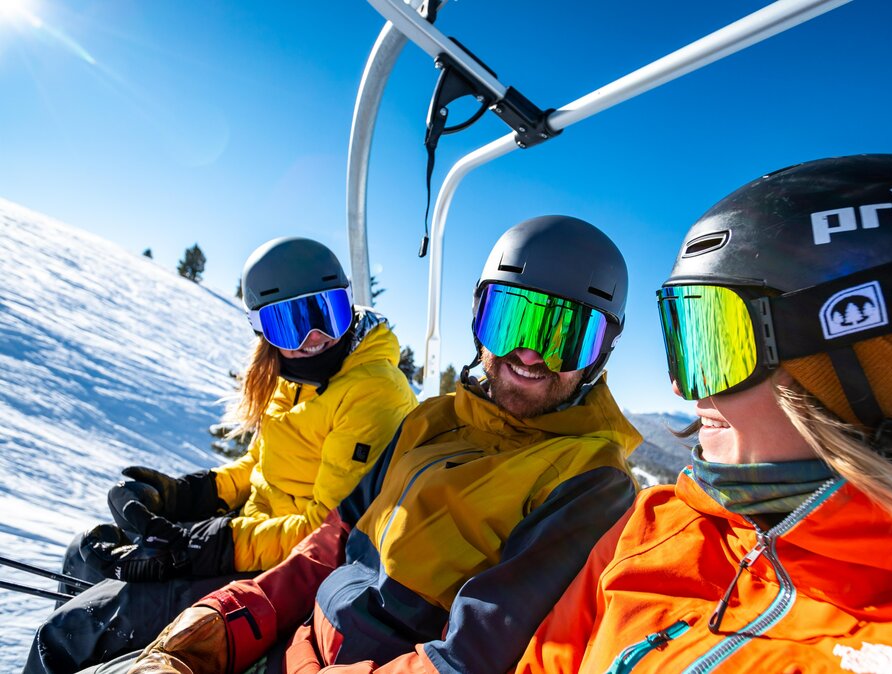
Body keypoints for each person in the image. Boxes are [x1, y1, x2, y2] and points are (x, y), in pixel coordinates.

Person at [99, 214, 642, 674]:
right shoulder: (434, 419)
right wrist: (232, 617)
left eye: (563, 337)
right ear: (479, 321)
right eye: (512, 322)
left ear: (600, 353)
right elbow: (334, 539)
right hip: (296, 644)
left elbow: (473, 657)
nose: (529, 355)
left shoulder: (591, 481)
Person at [515, 154, 892, 673]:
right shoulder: (657, 524)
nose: (687, 391)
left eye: (718, 346)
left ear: (876, 366)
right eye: (689, 342)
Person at [24, 236, 418, 674]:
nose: (315, 339)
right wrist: (184, 496)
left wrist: (203, 545)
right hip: (253, 541)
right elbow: (258, 467)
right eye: (290, 324)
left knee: (69, 632)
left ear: (349, 305)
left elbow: (325, 533)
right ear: (262, 330)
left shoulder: (372, 393)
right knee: (86, 553)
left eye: (328, 313)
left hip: (292, 575)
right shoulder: (291, 380)